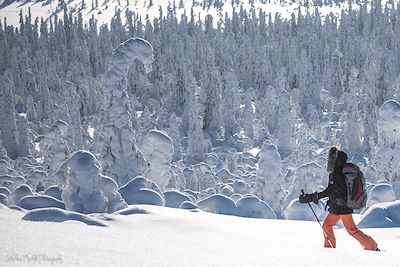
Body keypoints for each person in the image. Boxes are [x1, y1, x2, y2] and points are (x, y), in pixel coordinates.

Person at [299, 146, 379, 251]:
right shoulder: (339, 173)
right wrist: (314, 197)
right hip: (338, 207)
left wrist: (312, 197)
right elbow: (333, 191)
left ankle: (372, 247)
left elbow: (331, 191)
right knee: (327, 226)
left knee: (351, 230)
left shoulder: (337, 175)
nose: (329, 161)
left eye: (332, 159)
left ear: (336, 161)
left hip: (342, 208)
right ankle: (329, 248)